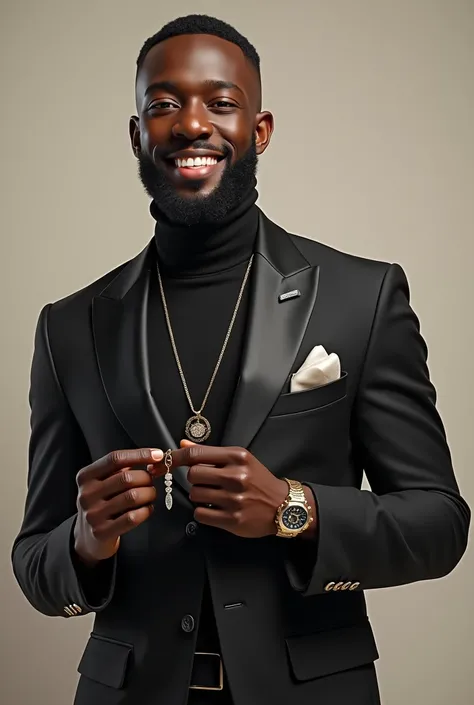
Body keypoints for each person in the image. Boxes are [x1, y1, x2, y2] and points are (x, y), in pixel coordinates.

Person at [11, 13, 470, 705]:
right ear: (137, 135)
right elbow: (33, 562)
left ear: (259, 131)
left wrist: (293, 509)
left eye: (221, 102)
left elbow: (440, 524)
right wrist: (84, 538)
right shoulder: (69, 326)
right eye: (164, 105)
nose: (193, 124)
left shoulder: (362, 298)